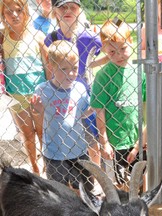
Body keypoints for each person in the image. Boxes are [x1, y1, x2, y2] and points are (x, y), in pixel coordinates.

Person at [90, 19, 147, 189]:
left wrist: (141, 139)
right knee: (121, 185)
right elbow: (99, 110)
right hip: (116, 141)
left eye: (123, 49)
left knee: (140, 181)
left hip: (138, 138)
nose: (119, 55)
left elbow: (145, 106)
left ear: (131, 42)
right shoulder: (103, 75)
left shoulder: (139, 71)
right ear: (104, 51)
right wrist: (105, 142)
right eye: (112, 52)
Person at [44, 0, 103, 165]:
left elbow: (110, 49)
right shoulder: (52, 39)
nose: (67, 10)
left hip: (84, 96)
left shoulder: (90, 37)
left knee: (91, 139)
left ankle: (96, 174)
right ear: (55, 11)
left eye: (72, 7)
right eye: (62, 7)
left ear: (79, 11)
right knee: (67, 136)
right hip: (62, 95)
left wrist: (91, 65)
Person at [31, 40, 94, 191]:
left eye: (74, 68)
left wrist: (95, 107)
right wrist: (37, 110)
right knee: (59, 192)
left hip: (78, 150)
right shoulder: (42, 90)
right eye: (64, 69)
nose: (71, 73)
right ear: (51, 67)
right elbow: (37, 116)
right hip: (54, 153)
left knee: (84, 189)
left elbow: (83, 114)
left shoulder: (79, 88)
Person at [0, 0, 49, 174]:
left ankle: (48, 164)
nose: (14, 15)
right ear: (3, 15)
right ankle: (34, 168)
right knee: (28, 135)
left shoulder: (37, 36)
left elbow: (48, 67)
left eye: (18, 10)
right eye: (8, 12)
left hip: (38, 95)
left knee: (43, 133)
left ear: (26, 12)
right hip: (16, 97)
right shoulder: (2, 37)